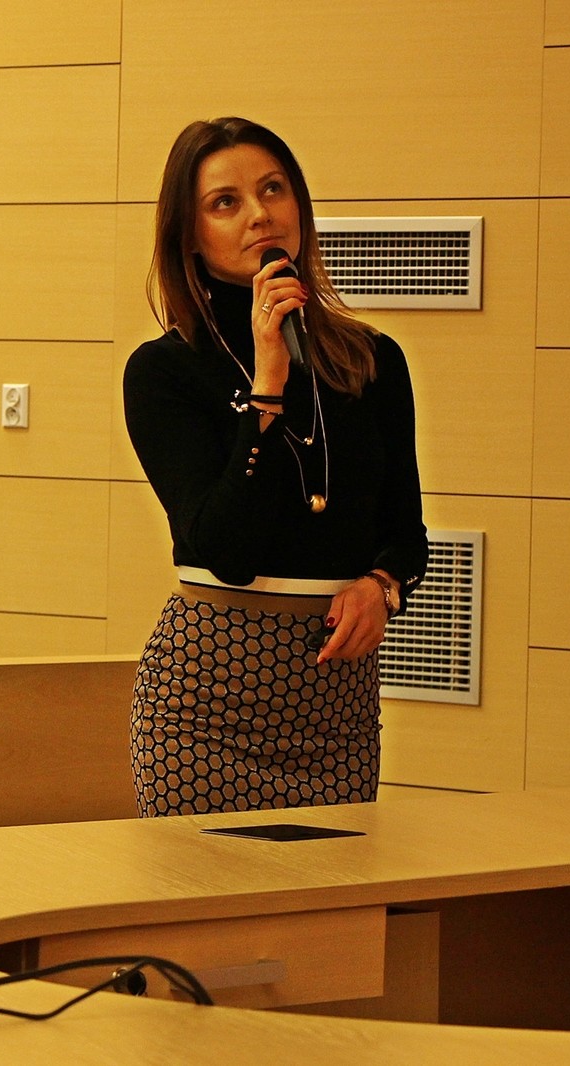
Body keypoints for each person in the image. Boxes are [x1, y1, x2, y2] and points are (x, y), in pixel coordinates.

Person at [123, 117, 428, 817]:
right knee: (201, 890)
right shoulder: (163, 372)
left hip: (336, 710)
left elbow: (406, 533)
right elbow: (226, 549)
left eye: (273, 189)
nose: (259, 214)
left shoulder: (373, 360)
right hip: (205, 713)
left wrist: (381, 586)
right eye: (225, 202)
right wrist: (268, 383)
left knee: (332, 889)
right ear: (189, 234)